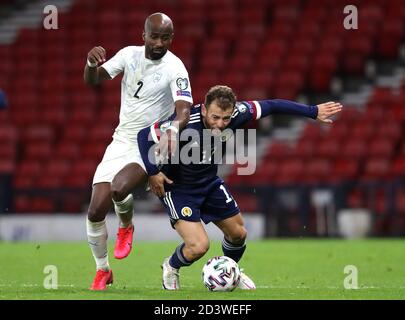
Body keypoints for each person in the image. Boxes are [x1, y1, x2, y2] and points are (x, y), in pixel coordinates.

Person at [137, 85, 343, 290]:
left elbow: (272, 105)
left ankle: (231, 270)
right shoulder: (184, 121)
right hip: (179, 189)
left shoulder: (239, 113)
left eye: (225, 119)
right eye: (215, 117)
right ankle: (171, 266)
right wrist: (153, 172)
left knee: (238, 234)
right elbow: (143, 135)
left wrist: (312, 112)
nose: (220, 124)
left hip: (209, 183)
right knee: (198, 247)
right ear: (204, 110)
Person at [83, 13, 193, 290]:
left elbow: (184, 111)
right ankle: (103, 270)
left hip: (151, 141)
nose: (159, 42)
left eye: (165, 37)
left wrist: (172, 131)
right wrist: (90, 63)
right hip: (121, 140)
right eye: (154, 36)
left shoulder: (176, 67)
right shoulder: (128, 55)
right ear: (143, 35)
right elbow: (93, 80)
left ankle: (126, 225)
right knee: (95, 210)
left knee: (119, 190)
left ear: (172, 38)